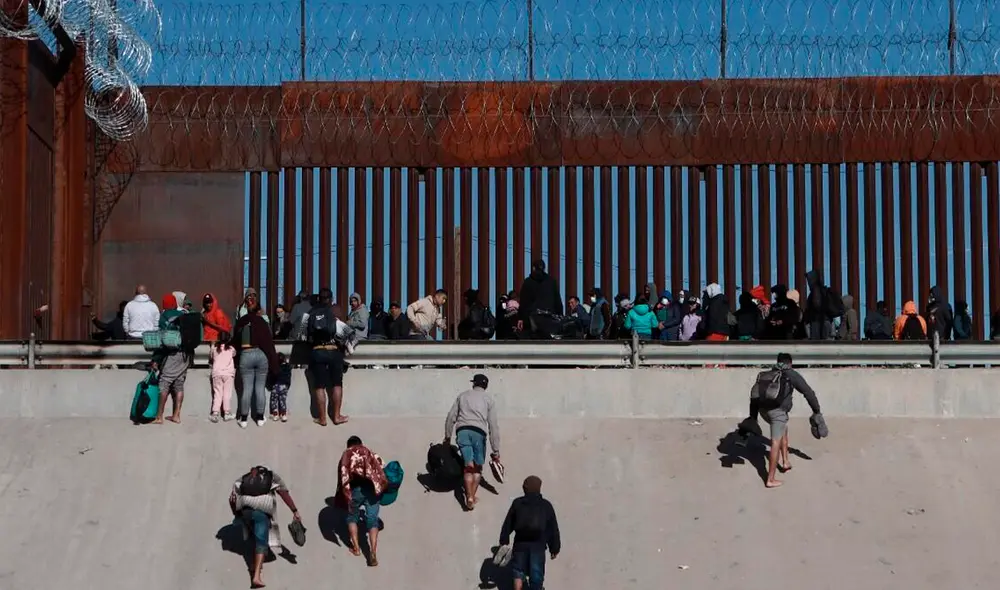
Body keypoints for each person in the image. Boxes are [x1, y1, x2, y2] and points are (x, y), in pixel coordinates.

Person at [747, 352, 823, 488]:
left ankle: (785, 462)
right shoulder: (790, 374)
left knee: (784, 430)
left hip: (763, 410)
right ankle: (770, 479)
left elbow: (754, 397)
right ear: (790, 363)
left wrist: (753, 417)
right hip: (777, 412)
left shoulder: (768, 373)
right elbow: (808, 392)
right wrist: (816, 411)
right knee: (775, 441)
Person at [229, 466, 302, 589]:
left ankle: (254, 563)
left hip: (246, 513)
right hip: (260, 514)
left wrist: (237, 514)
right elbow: (284, 494)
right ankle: (256, 576)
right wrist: (294, 510)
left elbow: (232, 498)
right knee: (261, 542)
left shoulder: (243, 479)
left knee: (253, 533)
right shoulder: (272, 477)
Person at [444, 373, 500, 511]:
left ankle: (468, 496)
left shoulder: (462, 396)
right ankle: (471, 496)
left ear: (474, 383)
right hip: (479, 433)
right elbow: (493, 425)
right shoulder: (489, 400)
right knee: (477, 467)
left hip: (462, 431)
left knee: (468, 465)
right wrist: (496, 450)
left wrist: (447, 436)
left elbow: (451, 416)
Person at [498, 475, 561, 590]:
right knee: (536, 576)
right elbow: (553, 529)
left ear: (524, 488)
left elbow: (508, 523)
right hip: (538, 546)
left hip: (520, 544)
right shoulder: (546, 505)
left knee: (518, 571)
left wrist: (504, 539)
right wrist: (555, 548)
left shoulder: (517, 503)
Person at [337, 436, 388, 567]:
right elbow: (382, 465)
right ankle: (373, 552)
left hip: (355, 491)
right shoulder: (368, 451)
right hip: (372, 490)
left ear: (348, 445)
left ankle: (356, 548)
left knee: (352, 518)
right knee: (372, 520)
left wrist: (343, 495)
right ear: (361, 443)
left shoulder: (347, 454)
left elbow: (343, 475)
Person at [230, 300, 279, 428]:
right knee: (260, 387)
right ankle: (260, 417)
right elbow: (269, 343)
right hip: (261, 355)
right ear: (259, 310)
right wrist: (274, 365)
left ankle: (244, 418)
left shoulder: (242, 321)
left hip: (246, 354)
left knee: (247, 388)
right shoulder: (262, 322)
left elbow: (234, 340)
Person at [307, 287, 349, 426]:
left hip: (318, 351)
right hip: (334, 350)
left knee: (319, 386)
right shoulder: (336, 312)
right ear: (331, 299)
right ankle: (336, 416)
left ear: (319, 298)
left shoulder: (311, 313)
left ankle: (322, 418)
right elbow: (347, 334)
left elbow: (302, 336)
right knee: (337, 384)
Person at [152, 293, 188, 424]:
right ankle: (176, 415)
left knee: (164, 383)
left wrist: (156, 359)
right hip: (185, 355)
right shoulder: (183, 315)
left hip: (172, 355)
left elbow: (162, 340)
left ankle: (159, 416)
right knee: (179, 384)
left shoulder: (164, 317)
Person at [518, 260, 563, 338]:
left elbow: (523, 303)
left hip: (532, 319)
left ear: (533, 268)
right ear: (544, 268)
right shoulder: (551, 282)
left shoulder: (528, 282)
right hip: (549, 318)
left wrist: (521, 318)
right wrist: (560, 315)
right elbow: (557, 301)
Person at [209, 332, 237, 423]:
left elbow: (211, 357)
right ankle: (227, 413)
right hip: (228, 374)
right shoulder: (231, 349)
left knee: (217, 393)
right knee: (227, 394)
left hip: (217, 373)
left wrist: (213, 344)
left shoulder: (215, 349)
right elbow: (234, 354)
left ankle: (215, 413)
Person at [269, 352, 292, 423]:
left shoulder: (275, 367)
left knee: (273, 400)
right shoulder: (288, 367)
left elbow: (272, 377)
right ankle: (283, 415)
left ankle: (275, 415)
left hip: (276, 385)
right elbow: (289, 377)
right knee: (283, 401)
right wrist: (288, 385)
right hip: (284, 386)